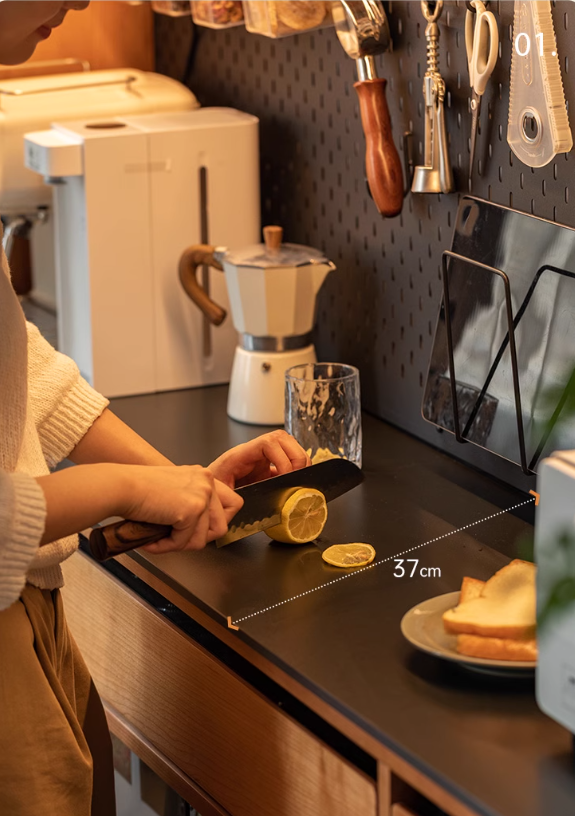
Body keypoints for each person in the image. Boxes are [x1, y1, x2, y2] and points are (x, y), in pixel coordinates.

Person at [0, 4, 310, 814]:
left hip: (25, 604)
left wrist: (176, 480)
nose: (76, 5)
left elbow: (17, 368)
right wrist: (130, 493)